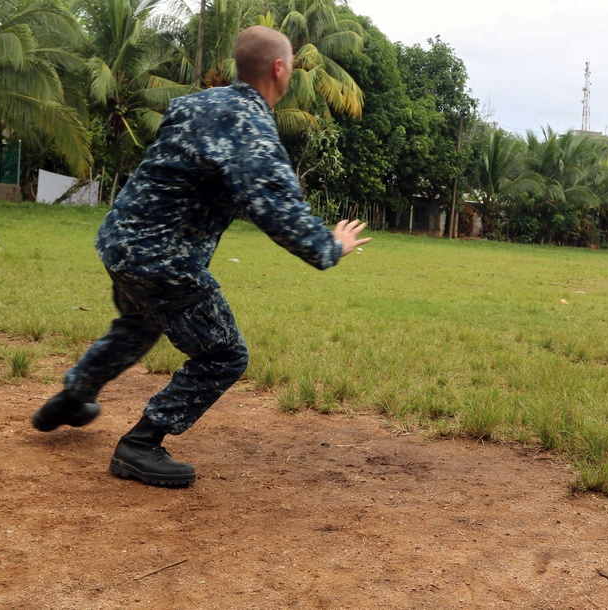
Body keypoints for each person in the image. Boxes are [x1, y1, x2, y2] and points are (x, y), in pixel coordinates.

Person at [31, 26, 372, 488]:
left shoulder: (193, 104)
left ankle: (74, 396)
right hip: (164, 260)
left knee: (139, 324)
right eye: (291, 66)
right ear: (279, 69)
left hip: (119, 241)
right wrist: (330, 246)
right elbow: (275, 206)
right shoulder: (250, 125)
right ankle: (141, 444)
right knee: (224, 354)